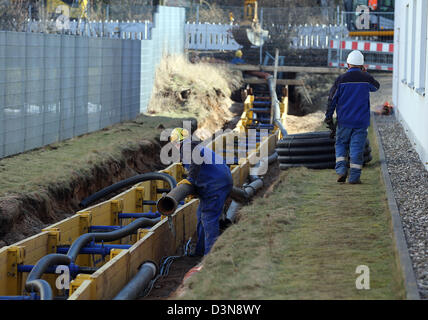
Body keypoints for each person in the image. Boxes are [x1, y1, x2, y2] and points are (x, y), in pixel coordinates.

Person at [170, 127, 233, 256]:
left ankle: (209, 257)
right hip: (216, 182)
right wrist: (197, 187)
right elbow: (202, 170)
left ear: (176, 143)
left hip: (215, 184)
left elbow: (196, 161)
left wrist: (191, 180)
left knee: (209, 218)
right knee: (201, 217)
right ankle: (200, 251)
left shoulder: (188, 148)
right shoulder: (194, 147)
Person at [325, 50, 380, 184]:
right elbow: (376, 86)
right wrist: (365, 73)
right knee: (356, 149)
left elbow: (332, 99)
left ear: (348, 64)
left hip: (344, 121)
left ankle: (341, 170)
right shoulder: (366, 78)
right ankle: (354, 178)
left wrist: (328, 116)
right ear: (362, 65)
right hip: (361, 122)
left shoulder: (341, 80)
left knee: (341, 145)